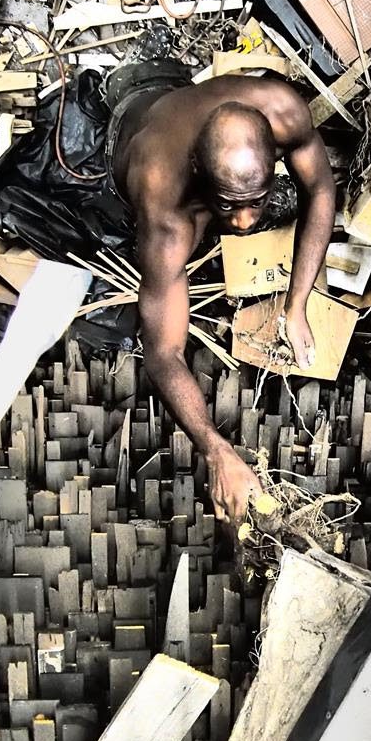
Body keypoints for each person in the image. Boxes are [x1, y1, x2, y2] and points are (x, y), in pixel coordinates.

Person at [105, 61, 336, 526]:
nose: (246, 221)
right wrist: (216, 450)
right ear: (197, 171)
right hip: (133, 124)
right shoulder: (165, 206)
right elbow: (164, 352)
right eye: (230, 203)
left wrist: (296, 305)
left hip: (182, 98)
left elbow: (321, 185)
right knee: (169, 237)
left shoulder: (284, 109)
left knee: (287, 207)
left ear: (273, 154)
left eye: (257, 199)